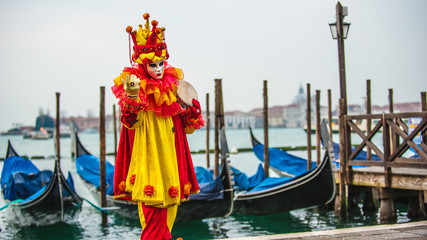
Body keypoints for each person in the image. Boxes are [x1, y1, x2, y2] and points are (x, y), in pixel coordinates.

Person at [111, 13, 204, 240]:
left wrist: (190, 111)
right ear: (143, 64)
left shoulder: (172, 87)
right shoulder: (134, 86)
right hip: (148, 163)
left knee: (169, 211)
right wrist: (132, 102)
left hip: (171, 163)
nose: (159, 68)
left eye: (161, 63)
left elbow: (185, 127)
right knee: (153, 216)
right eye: (153, 65)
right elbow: (130, 122)